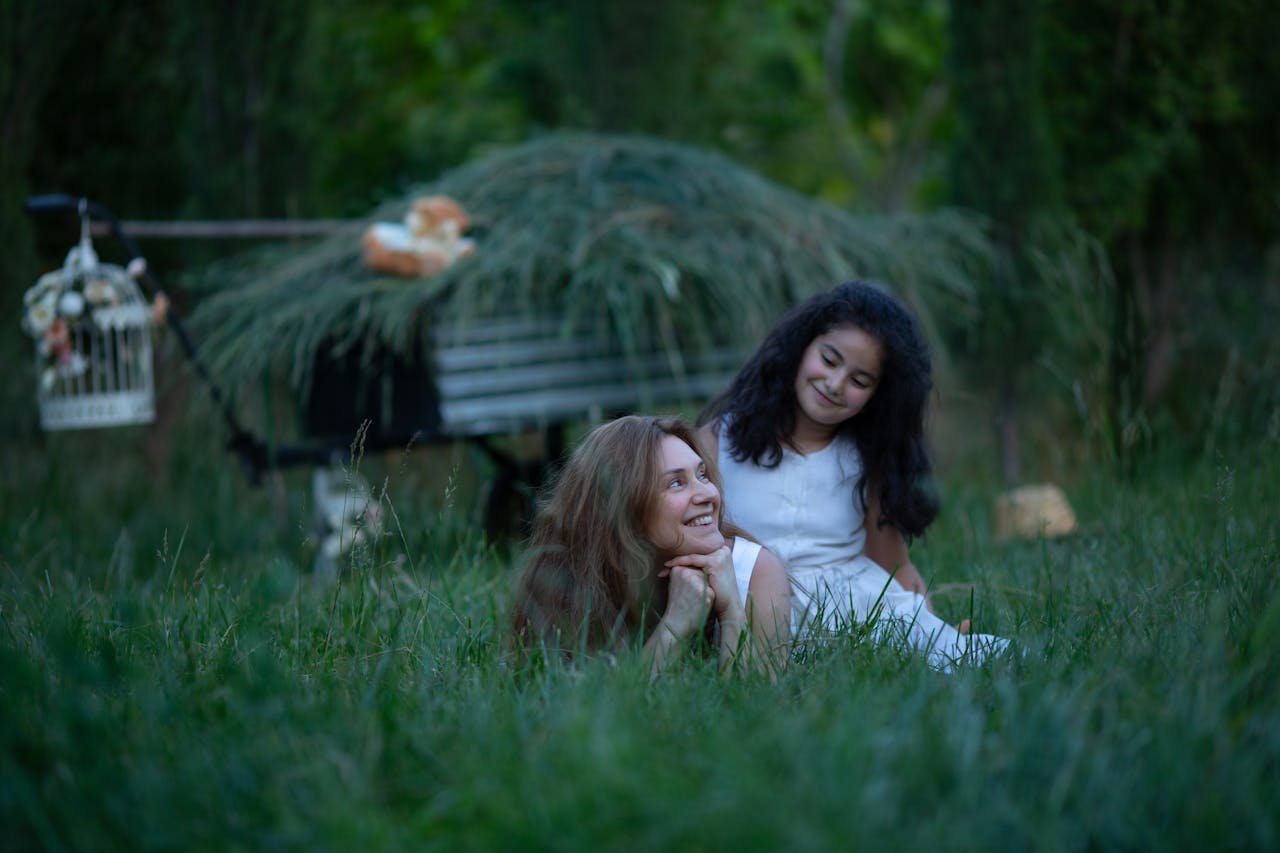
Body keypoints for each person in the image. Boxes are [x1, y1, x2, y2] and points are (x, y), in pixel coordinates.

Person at [697, 280, 1008, 669]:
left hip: (852, 611)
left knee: (980, 659)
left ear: (879, 395)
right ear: (801, 348)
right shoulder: (719, 439)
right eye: (829, 360)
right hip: (751, 609)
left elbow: (894, 564)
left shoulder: (866, 458)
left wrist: (933, 622)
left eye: (859, 381)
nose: (835, 384)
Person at [511, 415, 791, 676]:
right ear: (623, 508)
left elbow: (759, 706)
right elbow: (594, 716)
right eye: (677, 483)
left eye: (702, 475)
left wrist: (731, 612)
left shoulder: (754, 571)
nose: (708, 493)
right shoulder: (565, 582)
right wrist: (676, 625)